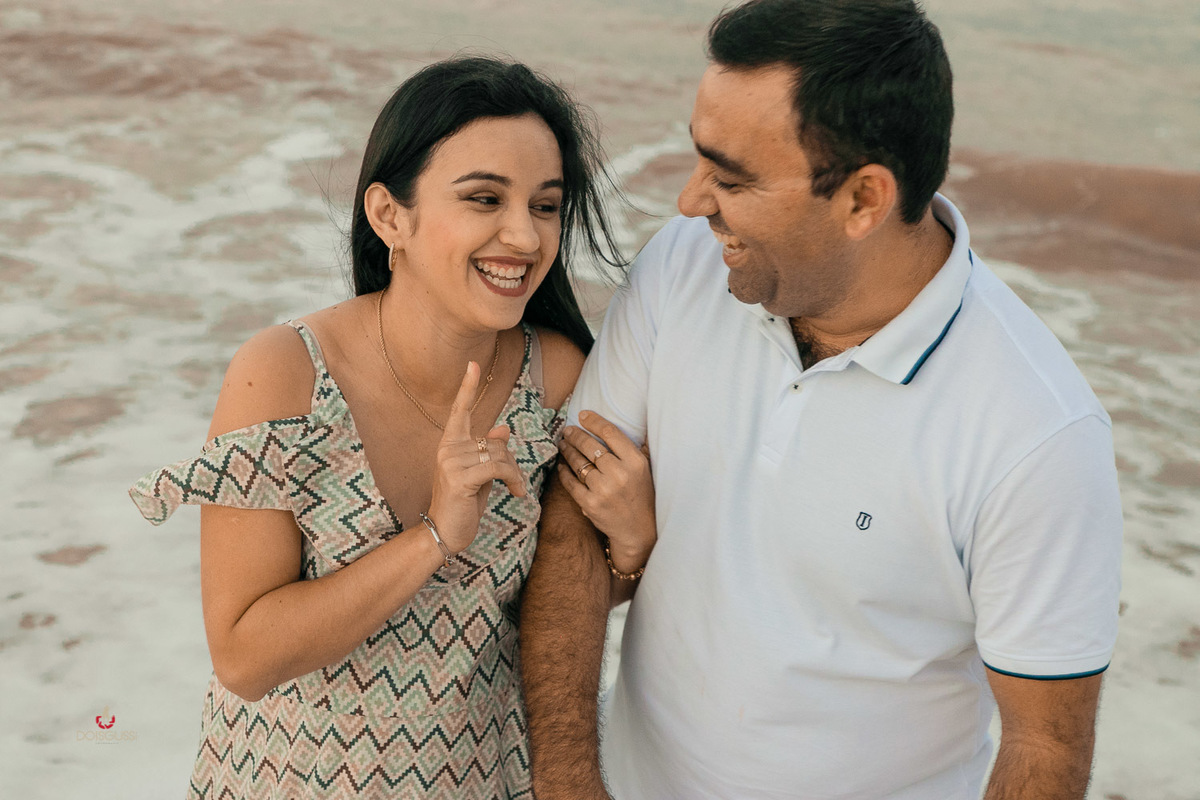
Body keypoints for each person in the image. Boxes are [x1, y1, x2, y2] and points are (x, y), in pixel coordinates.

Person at [520, 2, 1124, 798]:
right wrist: (570, 785)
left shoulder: (1035, 435)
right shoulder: (681, 268)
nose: (691, 202)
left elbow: (1043, 749)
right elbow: (572, 516)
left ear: (864, 200)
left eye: (731, 177)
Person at [128, 56, 654, 799]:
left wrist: (629, 547)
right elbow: (244, 657)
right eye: (484, 198)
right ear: (389, 216)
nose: (526, 236)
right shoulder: (287, 374)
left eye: (545, 205)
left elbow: (558, 611)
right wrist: (435, 536)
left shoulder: (556, 377)